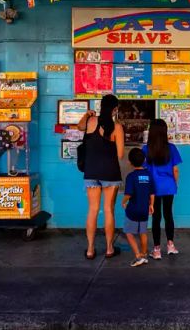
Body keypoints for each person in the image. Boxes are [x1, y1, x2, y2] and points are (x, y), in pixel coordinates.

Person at [77, 94, 124, 260]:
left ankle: (90, 249)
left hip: (91, 172)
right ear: (115, 109)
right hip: (110, 172)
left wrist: (87, 114)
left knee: (92, 210)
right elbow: (119, 154)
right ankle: (109, 248)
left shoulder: (90, 122)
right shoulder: (117, 127)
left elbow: (79, 127)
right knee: (108, 210)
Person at [143, 118, 182, 259]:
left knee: (156, 217)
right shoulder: (171, 148)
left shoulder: (146, 149)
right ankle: (171, 245)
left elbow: (144, 170)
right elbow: (175, 170)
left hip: (153, 187)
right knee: (168, 214)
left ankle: (157, 249)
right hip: (168, 186)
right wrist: (174, 183)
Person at [121, 148, 155, 267]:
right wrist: (151, 205)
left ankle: (138, 256)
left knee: (129, 233)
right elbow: (152, 193)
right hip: (144, 209)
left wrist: (123, 202)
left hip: (133, 210)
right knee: (143, 232)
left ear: (130, 162)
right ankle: (144, 254)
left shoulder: (131, 176)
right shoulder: (149, 175)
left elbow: (128, 194)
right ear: (144, 160)